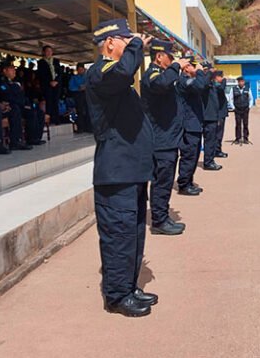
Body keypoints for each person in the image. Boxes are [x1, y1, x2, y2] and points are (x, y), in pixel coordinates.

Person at [85, 19, 157, 318]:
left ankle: (128, 286)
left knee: (134, 233)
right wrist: (138, 45)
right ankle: (116, 296)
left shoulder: (115, 79)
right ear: (110, 43)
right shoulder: (100, 73)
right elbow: (126, 71)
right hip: (117, 173)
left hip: (131, 171)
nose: (132, 46)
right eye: (126, 41)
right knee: (119, 234)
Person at [142, 39, 188, 235]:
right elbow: (161, 84)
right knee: (162, 180)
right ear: (159, 56)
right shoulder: (153, 75)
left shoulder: (164, 74)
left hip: (168, 138)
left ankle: (163, 215)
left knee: (166, 180)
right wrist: (177, 66)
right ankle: (159, 221)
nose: (172, 60)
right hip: (161, 139)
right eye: (170, 57)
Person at [0, 61, 45, 148]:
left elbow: (22, 96)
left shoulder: (16, 84)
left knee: (38, 111)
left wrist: (28, 104)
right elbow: (8, 97)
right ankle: (16, 141)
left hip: (21, 106)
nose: (14, 71)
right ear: (5, 71)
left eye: (14, 70)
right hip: (11, 106)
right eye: (12, 70)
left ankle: (34, 138)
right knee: (18, 110)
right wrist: (23, 104)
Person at [176, 56, 208, 196]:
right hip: (189, 124)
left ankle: (188, 181)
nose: (195, 68)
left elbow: (203, 85)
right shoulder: (184, 80)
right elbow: (200, 85)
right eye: (192, 66)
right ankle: (184, 184)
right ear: (186, 67)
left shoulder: (190, 80)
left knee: (194, 155)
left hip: (194, 123)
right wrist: (200, 72)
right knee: (189, 155)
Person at [202, 67, 222, 171]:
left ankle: (210, 160)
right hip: (208, 117)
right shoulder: (204, 84)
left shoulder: (211, 83)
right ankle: (208, 162)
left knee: (212, 140)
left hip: (213, 116)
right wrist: (208, 73)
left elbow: (221, 87)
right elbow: (204, 83)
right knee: (209, 141)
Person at [37, 45, 62, 124]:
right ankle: (49, 119)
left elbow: (60, 72)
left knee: (56, 101)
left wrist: (56, 81)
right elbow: (42, 75)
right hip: (47, 85)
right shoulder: (41, 62)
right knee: (49, 101)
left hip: (56, 84)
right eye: (47, 51)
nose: (49, 53)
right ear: (44, 52)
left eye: (50, 51)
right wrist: (50, 81)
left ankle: (57, 119)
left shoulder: (56, 61)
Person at [68, 63, 91, 133]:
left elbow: (93, 84)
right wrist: (78, 88)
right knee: (80, 111)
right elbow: (71, 87)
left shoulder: (88, 77)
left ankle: (89, 128)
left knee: (88, 111)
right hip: (78, 95)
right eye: (79, 70)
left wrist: (86, 87)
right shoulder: (74, 77)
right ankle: (81, 128)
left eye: (82, 69)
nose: (80, 71)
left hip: (87, 95)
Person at [214, 70, 229, 159]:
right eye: (221, 76)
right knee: (218, 134)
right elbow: (222, 88)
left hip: (221, 113)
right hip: (218, 114)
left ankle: (218, 150)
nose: (222, 78)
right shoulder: (216, 86)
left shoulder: (217, 85)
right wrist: (224, 81)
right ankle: (216, 151)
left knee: (220, 133)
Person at [232, 76, 252, 144]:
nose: (241, 83)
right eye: (240, 81)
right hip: (237, 109)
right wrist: (233, 107)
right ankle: (238, 138)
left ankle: (245, 138)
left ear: (244, 82)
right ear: (238, 82)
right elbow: (230, 98)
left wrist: (249, 106)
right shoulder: (234, 89)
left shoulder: (247, 89)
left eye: (242, 81)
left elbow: (251, 98)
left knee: (245, 124)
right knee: (238, 124)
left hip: (245, 109)